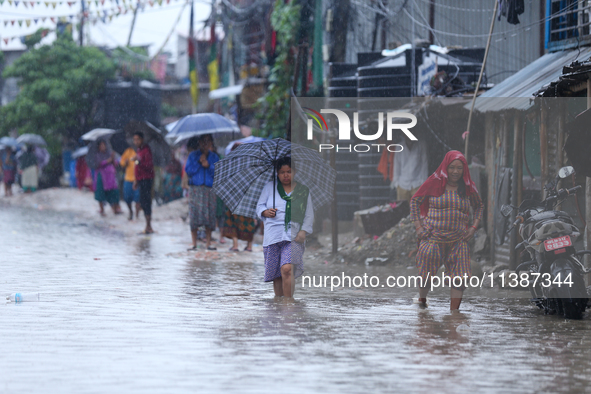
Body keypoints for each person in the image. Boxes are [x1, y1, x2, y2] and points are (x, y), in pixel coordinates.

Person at [410, 150, 484, 310]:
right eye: (452, 167)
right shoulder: (434, 183)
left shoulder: (468, 187)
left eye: (459, 168)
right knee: (426, 275)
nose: (455, 171)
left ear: (464, 169)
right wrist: (418, 227)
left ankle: (454, 314)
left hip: (459, 241)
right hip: (432, 239)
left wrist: (473, 228)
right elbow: (415, 201)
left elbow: (478, 206)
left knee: (460, 278)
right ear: (445, 167)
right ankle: (422, 302)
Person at [257, 157, 314, 299]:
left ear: (295, 172)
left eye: (289, 171)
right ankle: (278, 304)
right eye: (282, 172)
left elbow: (309, 214)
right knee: (277, 274)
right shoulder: (269, 187)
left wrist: (303, 231)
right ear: (277, 173)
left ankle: (288, 304)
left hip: (294, 236)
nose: (286, 175)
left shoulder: (303, 191)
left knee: (287, 269)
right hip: (272, 235)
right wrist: (265, 212)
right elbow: (260, 206)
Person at [185, 134, 220, 251]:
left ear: (211, 143)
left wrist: (208, 165)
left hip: (209, 190)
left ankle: (208, 243)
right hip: (196, 189)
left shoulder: (215, 157)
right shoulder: (192, 156)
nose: (205, 144)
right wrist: (199, 163)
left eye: (208, 141)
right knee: (194, 216)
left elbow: (218, 173)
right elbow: (188, 171)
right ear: (199, 142)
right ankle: (194, 243)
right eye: (203, 141)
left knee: (209, 216)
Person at [392, 137, 428, 202]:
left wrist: (423, 183)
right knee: (402, 210)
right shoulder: (399, 147)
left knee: (418, 210)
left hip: (418, 184)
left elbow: (424, 164)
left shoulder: (421, 145)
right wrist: (397, 184)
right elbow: (396, 166)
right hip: (402, 185)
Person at [132, 132, 155, 234]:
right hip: (141, 179)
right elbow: (138, 167)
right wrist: (136, 180)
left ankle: (148, 226)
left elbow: (148, 166)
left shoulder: (146, 150)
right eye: (135, 140)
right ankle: (147, 225)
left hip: (147, 179)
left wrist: (139, 160)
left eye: (138, 139)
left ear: (142, 139)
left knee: (146, 202)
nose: (136, 142)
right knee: (143, 201)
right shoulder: (139, 150)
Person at [93, 139, 122, 216]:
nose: (103, 146)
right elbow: (99, 164)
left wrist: (112, 159)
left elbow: (115, 163)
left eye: (104, 145)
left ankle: (116, 208)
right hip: (101, 176)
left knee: (114, 192)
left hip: (110, 176)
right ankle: (102, 210)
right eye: (101, 145)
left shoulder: (109, 153)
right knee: (100, 193)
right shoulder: (97, 155)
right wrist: (108, 160)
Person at [120, 146, 141, 220]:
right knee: (127, 197)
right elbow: (121, 162)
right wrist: (124, 163)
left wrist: (137, 161)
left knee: (137, 198)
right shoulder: (128, 151)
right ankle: (131, 211)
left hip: (138, 178)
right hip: (128, 178)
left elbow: (141, 162)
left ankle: (137, 215)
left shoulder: (140, 151)